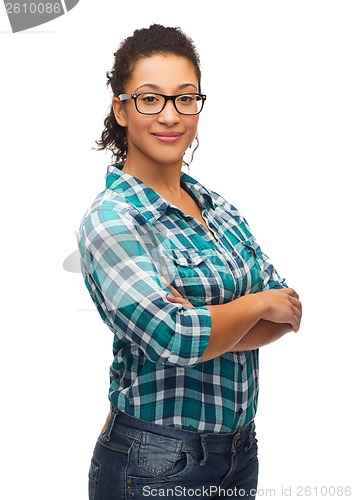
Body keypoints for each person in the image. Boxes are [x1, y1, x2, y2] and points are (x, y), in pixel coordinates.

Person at [78, 24, 302, 500]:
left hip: (241, 454)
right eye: (149, 98)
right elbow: (174, 337)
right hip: (154, 462)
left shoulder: (217, 207)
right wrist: (254, 304)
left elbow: (289, 312)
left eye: (185, 98)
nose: (170, 115)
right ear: (121, 109)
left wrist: (211, 323)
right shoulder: (112, 221)